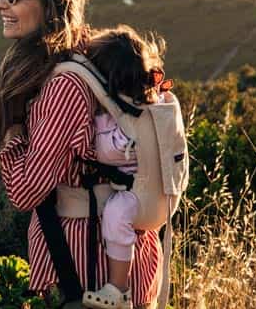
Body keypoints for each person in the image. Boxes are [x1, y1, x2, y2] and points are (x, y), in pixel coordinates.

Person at [0, 0, 162, 305]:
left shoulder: (64, 86)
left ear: (50, 5)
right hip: (103, 256)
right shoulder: (80, 56)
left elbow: (25, 192)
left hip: (86, 267)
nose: (1, 3)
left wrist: (13, 135)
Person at [78, 26, 170, 309]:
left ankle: (118, 288)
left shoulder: (127, 118)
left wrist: (94, 125)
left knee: (115, 216)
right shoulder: (154, 101)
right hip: (160, 196)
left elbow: (109, 152)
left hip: (139, 197)